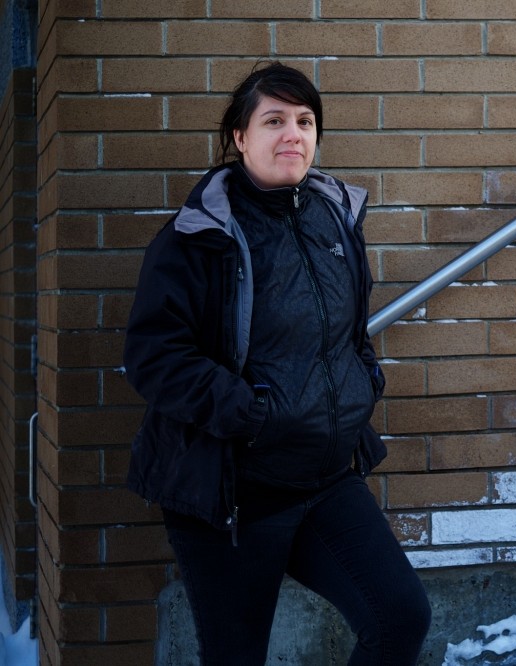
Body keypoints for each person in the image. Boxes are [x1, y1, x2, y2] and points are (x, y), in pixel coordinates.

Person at [123, 61, 431, 665]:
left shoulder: (334, 218)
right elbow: (153, 356)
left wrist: (363, 380)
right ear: (240, 137)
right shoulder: (198, 236)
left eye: (305, 121)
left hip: (327, 478)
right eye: (274, 121)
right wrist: (253, 413)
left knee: (399, 618)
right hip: (236, 492)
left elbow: (351, 333)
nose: (294, 134)